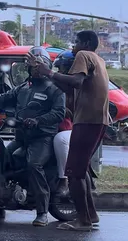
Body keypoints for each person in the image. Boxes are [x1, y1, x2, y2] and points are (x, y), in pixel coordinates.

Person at [28, 31, 109, 232]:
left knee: (73, 173)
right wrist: (43, 72)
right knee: (80, 171)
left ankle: (83, 221)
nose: (74, 46)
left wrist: (48, 72)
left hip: (88, 120)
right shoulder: (99, 60)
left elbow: (76, 82)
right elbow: (71, 88)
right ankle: (90, 214)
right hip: (98, 120)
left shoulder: (83, 55)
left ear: (87, 43)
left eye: (77, 41)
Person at [0, 46, 65, 227]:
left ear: (45, 66)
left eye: (38, 65)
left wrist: (38, 121)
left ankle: (42, 212)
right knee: (0, 159)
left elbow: (58, 113)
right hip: (21, 138)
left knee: (34, 165)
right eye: (32, 66)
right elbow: (4, 98)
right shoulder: (24, 87)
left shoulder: (54, 89)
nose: (34, 69)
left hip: (42, 138)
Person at [52, 50, 76, 196]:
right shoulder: (53, 85)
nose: (60, 71)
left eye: (63, 68)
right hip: (49, 126)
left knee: (60, 140)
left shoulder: (77, 87)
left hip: (68, 128)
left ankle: (64, 179)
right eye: (59, 68)